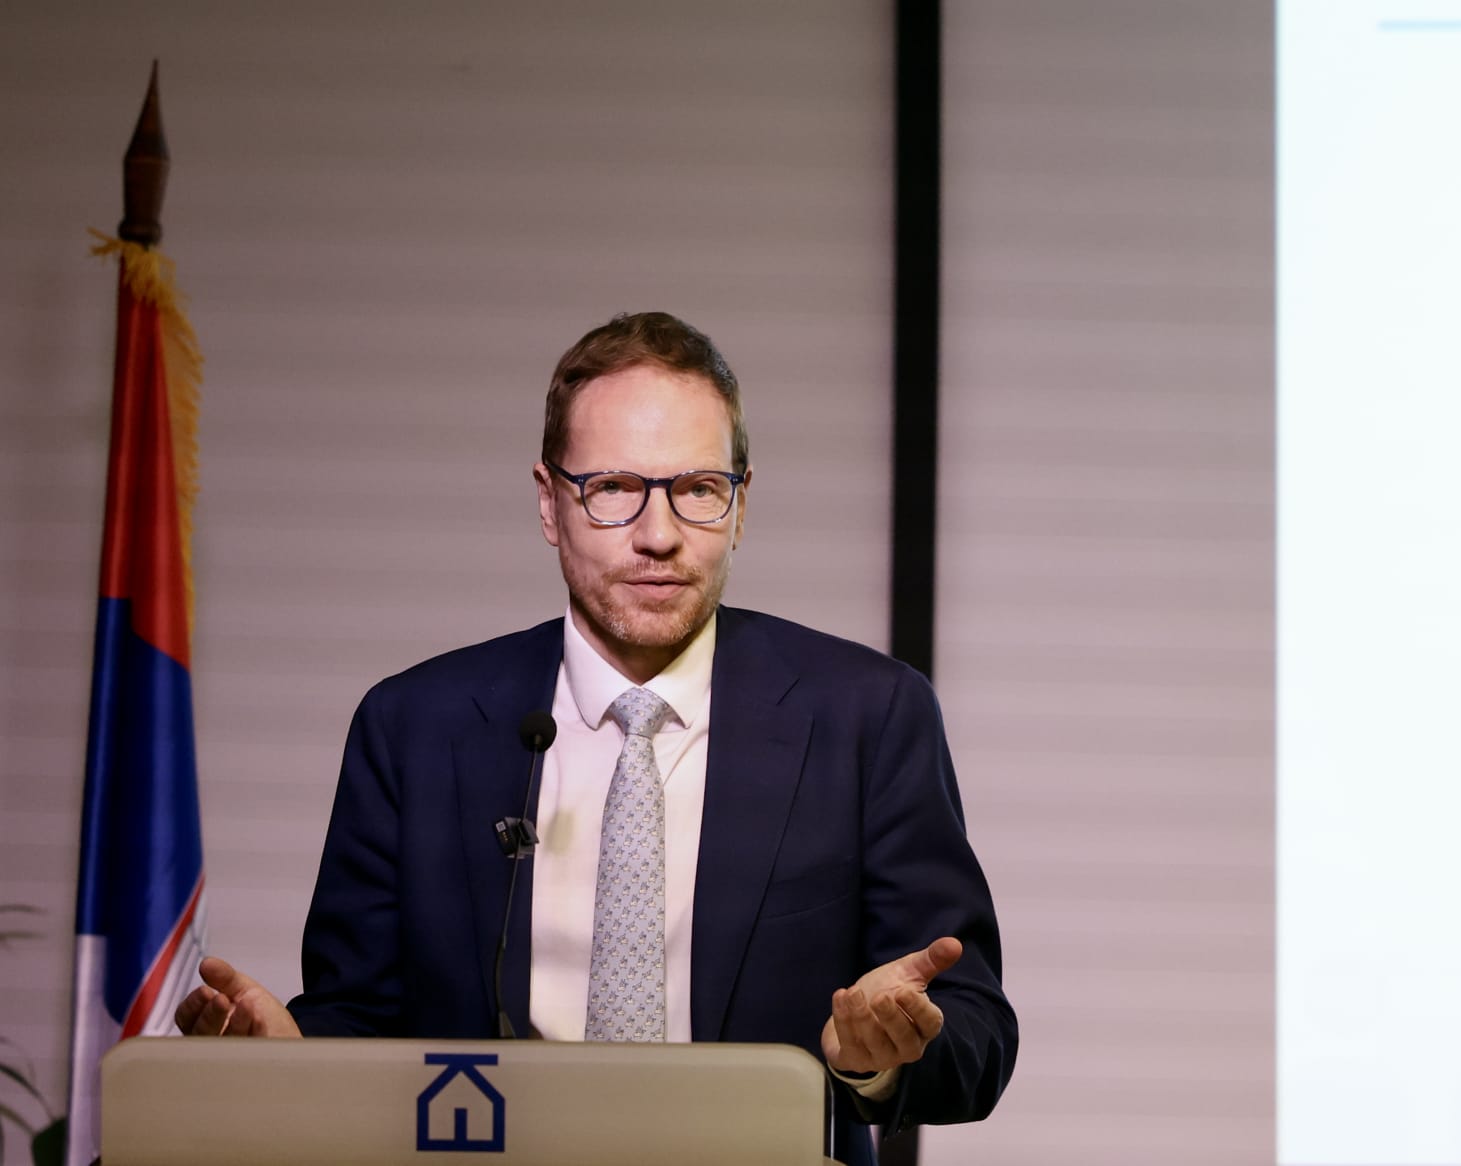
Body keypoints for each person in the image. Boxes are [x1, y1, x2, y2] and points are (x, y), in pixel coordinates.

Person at [174, 311, 1016, 1165]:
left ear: (740, 505)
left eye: (698, 489)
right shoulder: (414, 729)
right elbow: (360, 1021)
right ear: (550, 503)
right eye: (613, 488)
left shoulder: (866, 717)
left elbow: (975, 1030)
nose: (659, 534)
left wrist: (880, 1055)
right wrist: (291, 1057)